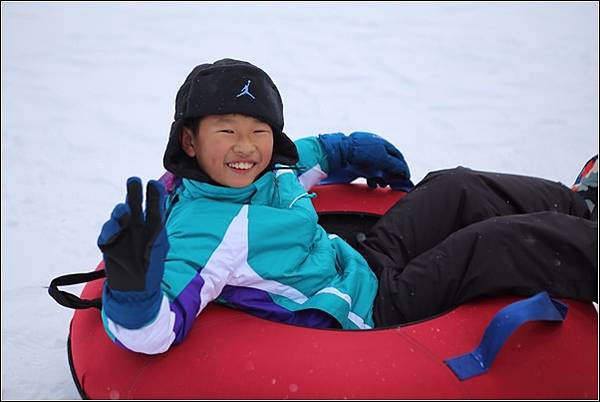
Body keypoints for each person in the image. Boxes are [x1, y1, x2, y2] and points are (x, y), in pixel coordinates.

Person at [97, 58, 597, 355]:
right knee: (494, 244)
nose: (245, 147)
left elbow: (301, 158)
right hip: (370, 312)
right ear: (189, 140)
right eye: (226, 131)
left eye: (259, 131)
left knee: (453, 187)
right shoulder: (205, 232)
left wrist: (344, 148)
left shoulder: (264, 167)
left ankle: (583, 207)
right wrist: (133, 288)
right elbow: (153, 333)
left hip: (360, 262)